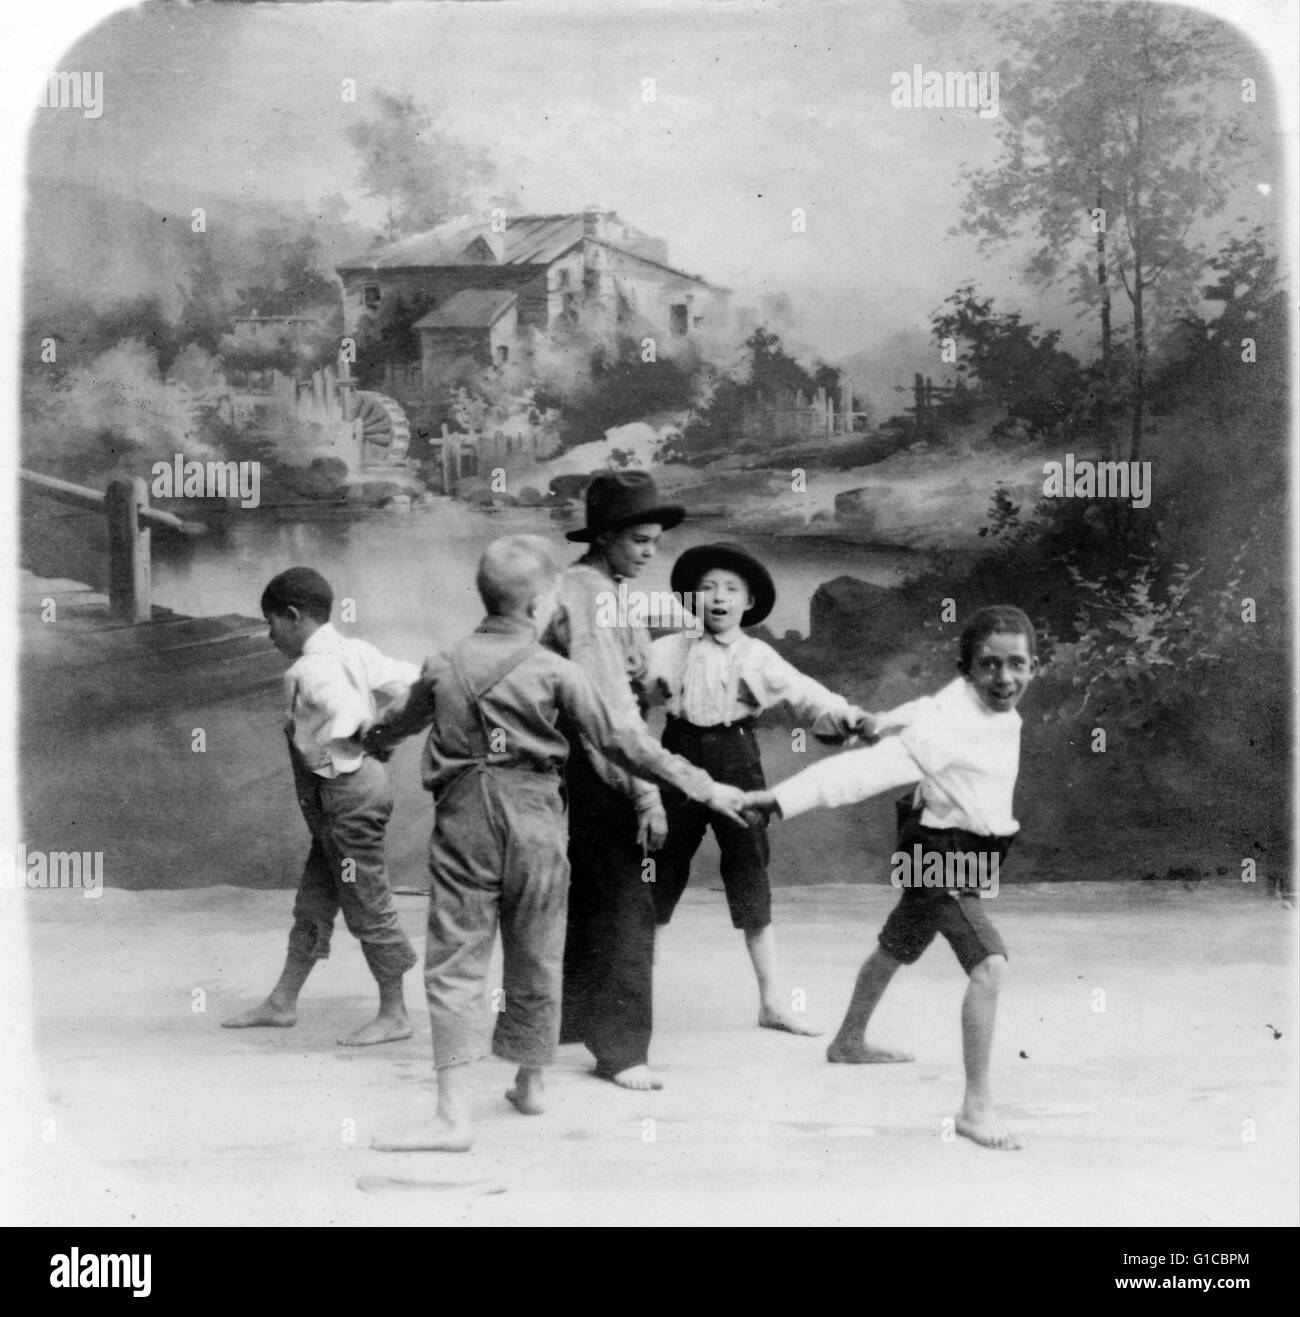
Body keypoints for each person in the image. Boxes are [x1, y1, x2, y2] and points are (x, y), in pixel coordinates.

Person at [365, 536, 746, 1151]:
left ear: (485, 595)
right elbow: (626, 742)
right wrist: (704, 786)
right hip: (539, 817)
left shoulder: (442, 662)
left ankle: (452, 1117)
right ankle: (531, 1081)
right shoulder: (559, 671)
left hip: (465, 819)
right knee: (537, 945)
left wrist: (370, 737)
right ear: (543, 602)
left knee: (458, 956)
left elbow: (399, 722)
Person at [743, 605, 1039, 1150]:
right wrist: (782, 799)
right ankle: (976, 1109)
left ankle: (848, 1041)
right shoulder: (956, 724)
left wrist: (883, 720)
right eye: (990, 665)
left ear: (1033, 666)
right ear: (968, 669)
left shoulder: (965, 703)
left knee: (900, 942)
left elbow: (926, 706)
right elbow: (868, 771)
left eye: (1016, 664)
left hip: (966, 848)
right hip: (941, 851)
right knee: (989, 966)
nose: (1004, 678)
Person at [646, 543, 872, 1035]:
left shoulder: (758, 656)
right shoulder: (666, 649)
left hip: (736, 759)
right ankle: (631, 999)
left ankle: (772, 1001)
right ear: (691, 597)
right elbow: (626, 696)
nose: (718, 598)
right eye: (707, 588)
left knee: (749, 873)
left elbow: (807, 696)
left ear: (748, 602)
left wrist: (847, 715)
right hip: (677, 758)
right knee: (659, 874)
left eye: (731, 589)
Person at [223, 567, 420, 1046]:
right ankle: (282, 1002)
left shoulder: (306, 670)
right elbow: (416, 680)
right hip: (348, 799)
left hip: (345, 802)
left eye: (271, 624)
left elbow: (347, 717)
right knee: (314, 901)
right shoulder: (354, 650)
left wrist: (370, 736)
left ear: (292, 617)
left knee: (366, 902)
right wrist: (389, 731)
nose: (269, 635)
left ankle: (395, 1013)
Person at [543, 471, 691, 1090]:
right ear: (604, 536)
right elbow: (605, 709)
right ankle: (623, 1050)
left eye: (656, 541)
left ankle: (575, 1024)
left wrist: (652, 676)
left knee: (592, 899)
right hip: (595, 762)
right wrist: (646, 791)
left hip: (571, 762)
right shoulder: (591, 594)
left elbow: (626, 674)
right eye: (640, 540)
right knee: (628, 904)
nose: (651, 552)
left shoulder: (595, 584)